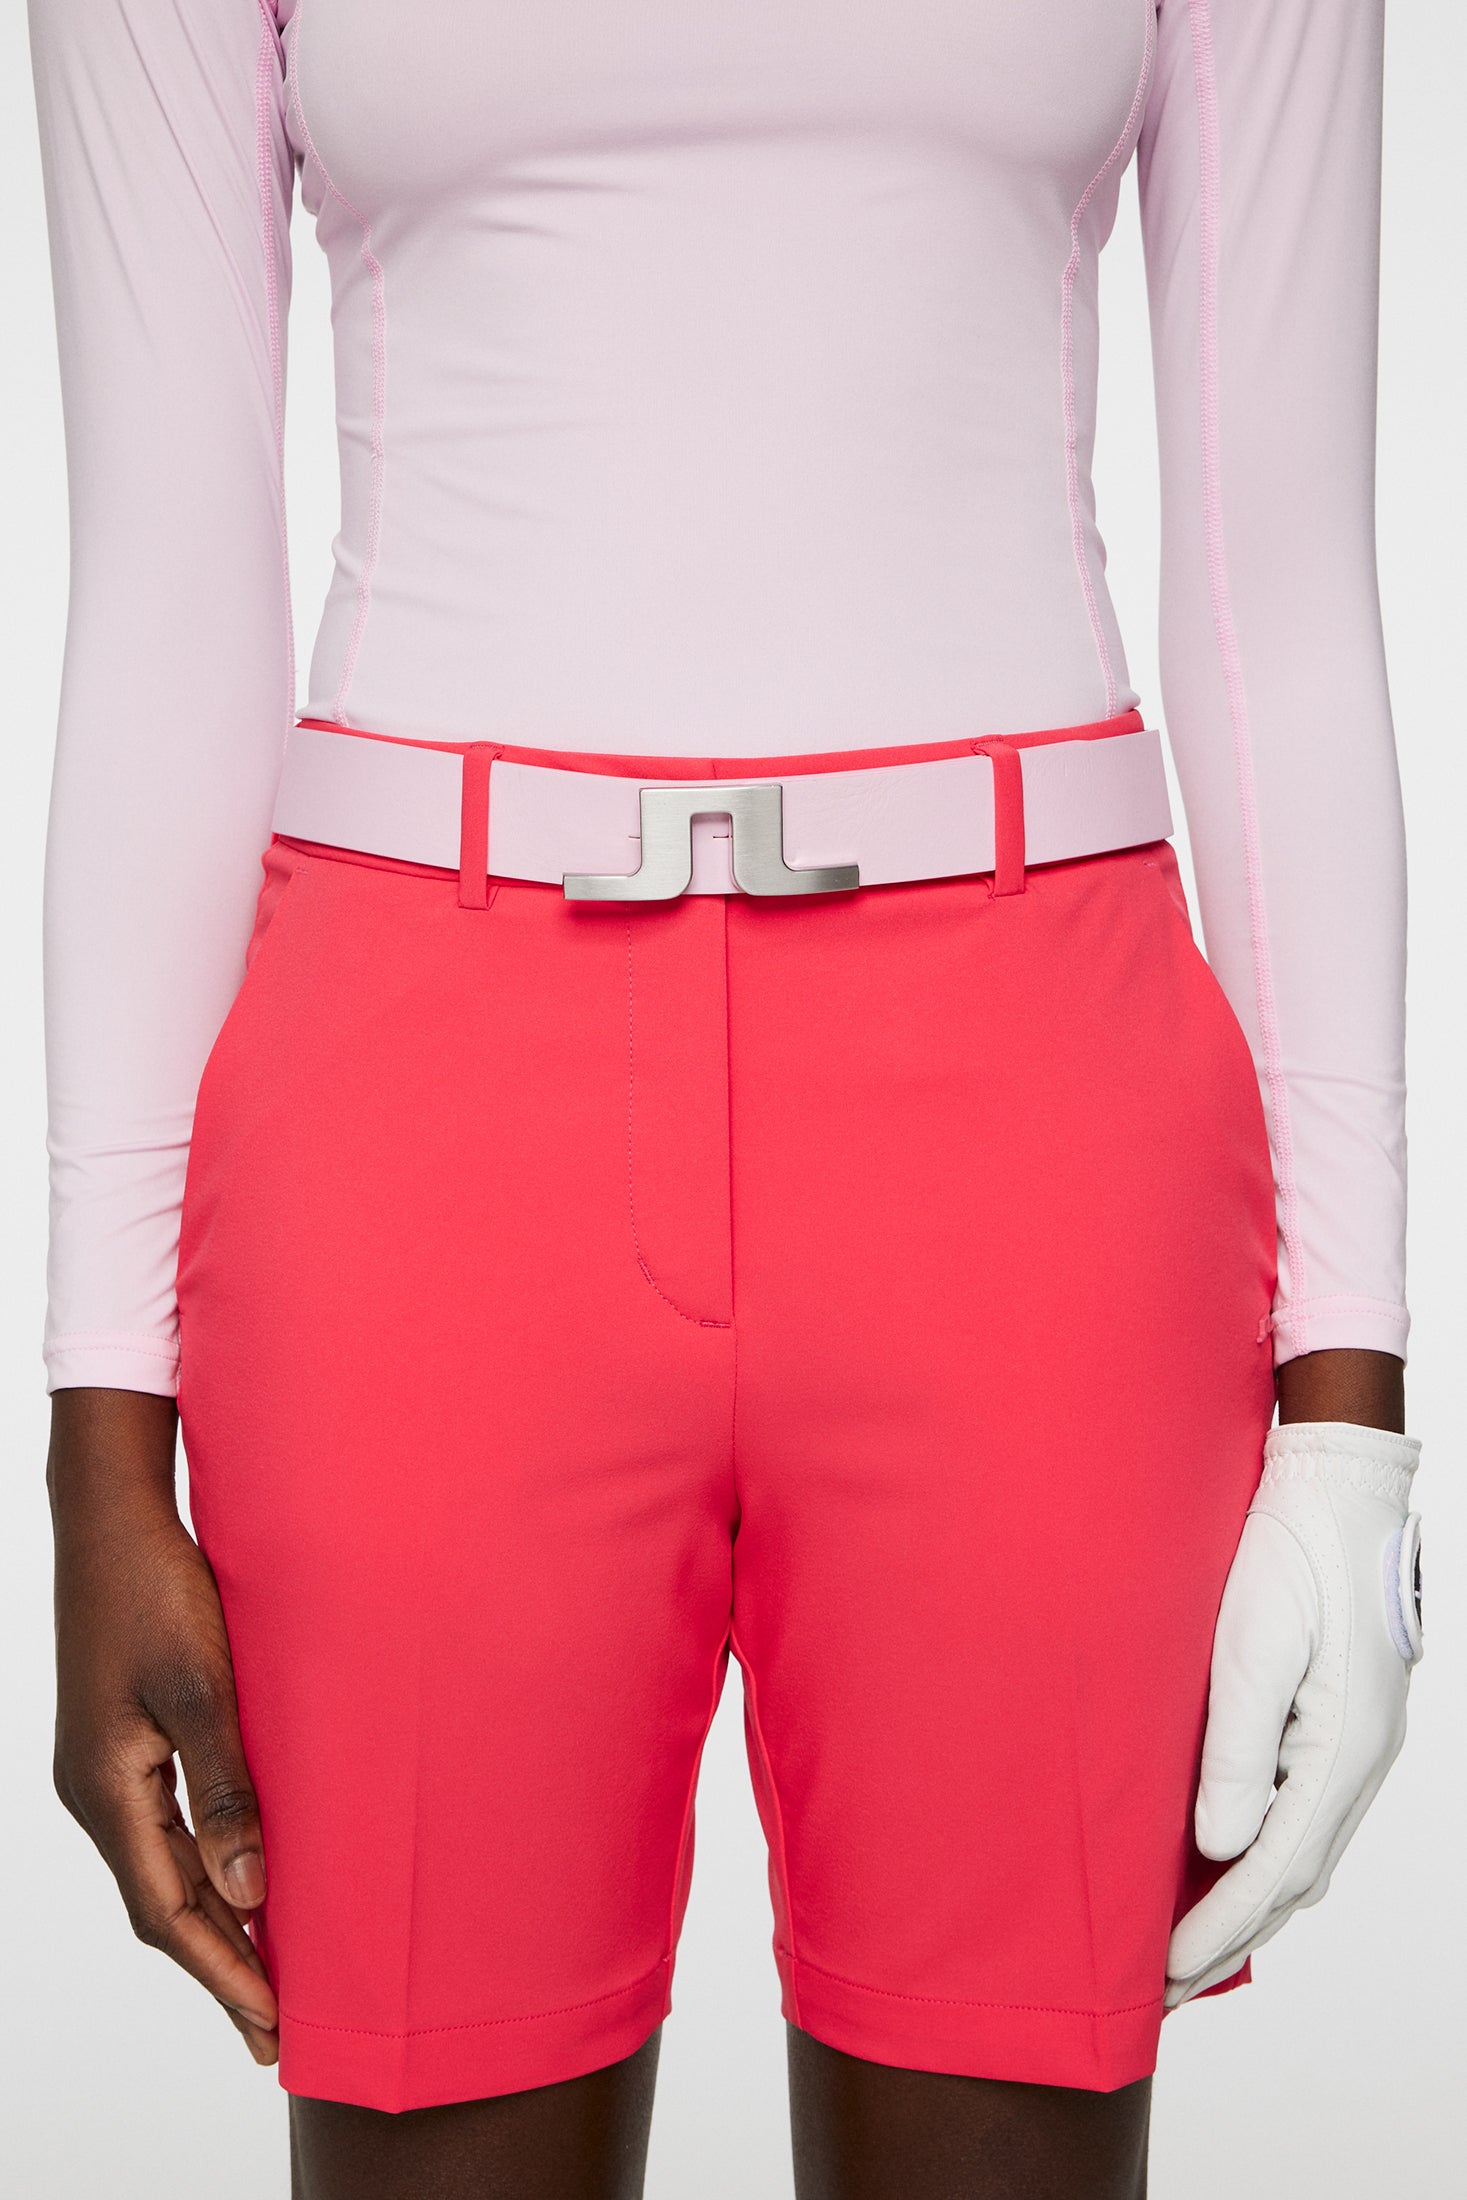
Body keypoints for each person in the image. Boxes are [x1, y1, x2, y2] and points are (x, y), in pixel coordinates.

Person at [29, 2, 1424, 2195]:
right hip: (421, 1127)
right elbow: (165, 593)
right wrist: (97, 1446)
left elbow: (1283, 593)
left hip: (1030, 1130)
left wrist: (1350, 1419)